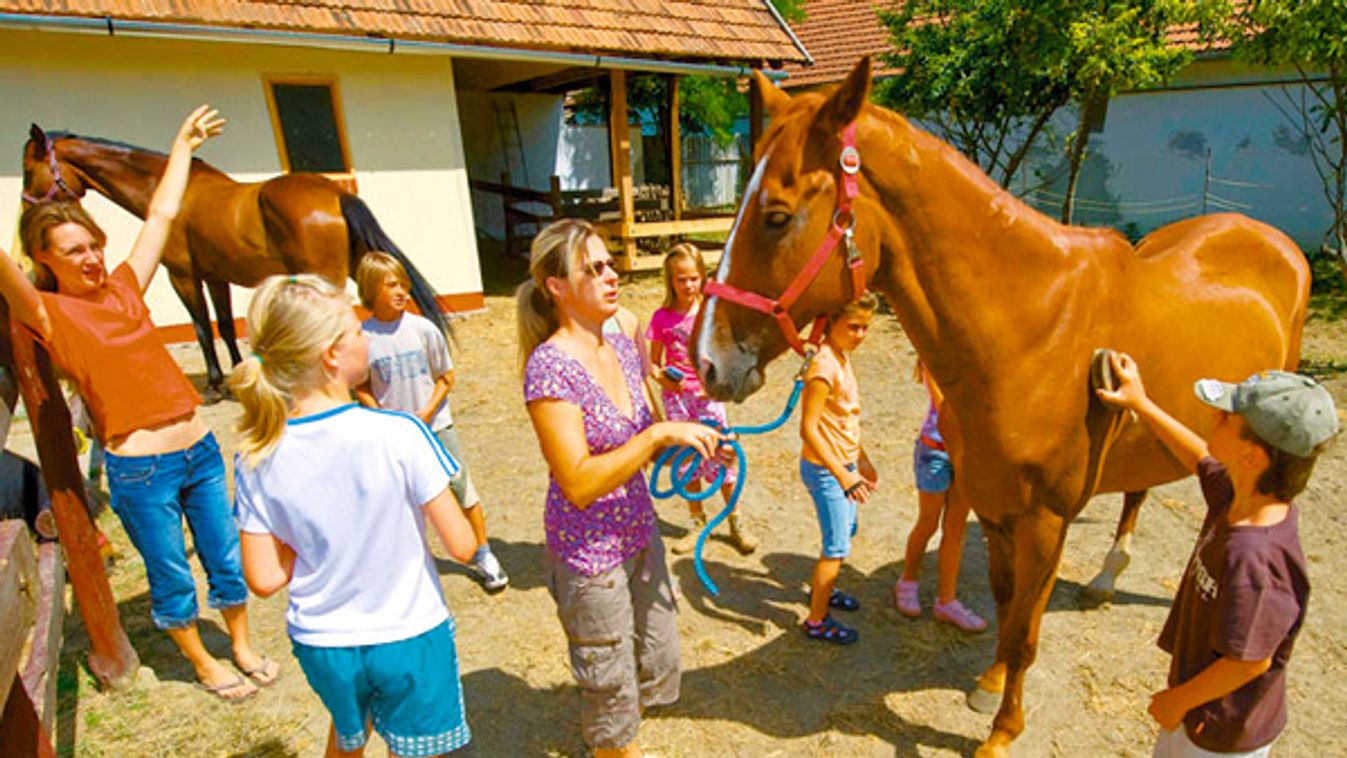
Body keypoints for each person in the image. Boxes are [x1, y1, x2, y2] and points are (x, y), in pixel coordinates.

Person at [0, 106, 276, 702]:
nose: (92, 258)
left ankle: (242, 642)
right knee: (172, 574)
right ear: (43, 259)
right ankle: (202, 662)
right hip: (140, 469)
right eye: (73, 251)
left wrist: (179, 144)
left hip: (200, 450)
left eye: (93, 245)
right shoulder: (51, 315)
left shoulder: (126, 285)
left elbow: (162, 214)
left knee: (225, 558)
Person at [231, 274, 479, 758]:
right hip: (408, 635)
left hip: (323, 643)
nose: (367, 335)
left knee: (348, 735)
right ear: (330, 354)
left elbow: (262, 578)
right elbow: (463, 545)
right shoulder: (400, 433)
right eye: (357, 329)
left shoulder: (255, 452)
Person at [518, 219, 726, 758]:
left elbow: (644, 440)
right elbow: (579, 480)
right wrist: (660, 431)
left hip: (639, 532)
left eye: (610, 263)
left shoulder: (621, 344)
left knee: (655, 655)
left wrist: (694, 445)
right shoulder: (550, 368)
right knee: (609, 685)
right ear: (556, 287)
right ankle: (612, 748)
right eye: (594, 268)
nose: (613, 275)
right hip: (590, 554)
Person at [1095, 355, 1336, 757]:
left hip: (1222, 732)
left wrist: (1179, 701)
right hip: (1200, 711)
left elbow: (1250, 662)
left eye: (1226, 419)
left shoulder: (1256, 558)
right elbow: (1200, 459)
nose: (1213, 418)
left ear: (1252, 457)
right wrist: (1141, 404)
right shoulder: (1241, 496)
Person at [353, 252, 509, 592]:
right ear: (370, 288)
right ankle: (411, 561)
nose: (401, 291)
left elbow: (446, 376)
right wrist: (385, 417)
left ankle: (483, 553)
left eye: (403, 284)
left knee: (459, 485)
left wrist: (425, 414)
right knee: (402, 497)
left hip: (436, 426)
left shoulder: (423, 329)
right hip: (394, 434)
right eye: (391, 284)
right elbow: (360, 386)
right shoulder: (363, 339)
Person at [646, 244, 757, 555]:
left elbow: (729, 352)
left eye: (693, 278)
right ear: (670, 281)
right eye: (680, 279)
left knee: (721, 455)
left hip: (709, 399)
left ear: (703, 277)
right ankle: (697, 522)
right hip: (678, 402)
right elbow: (652, 364)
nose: (688, 285)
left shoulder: (712, 314)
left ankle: (735, 519)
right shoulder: (661, 318)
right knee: (687, 461)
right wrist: (661, 377)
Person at [798, 295, 880, 645]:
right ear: (832, 323)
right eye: (854, 327)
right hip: (827, 471)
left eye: (866, 328)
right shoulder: (824, 367)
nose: (860, 334)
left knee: (846, 532)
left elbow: (842, 420)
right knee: (835, 546)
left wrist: (860, 460)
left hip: (844, 466)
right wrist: (843, 475)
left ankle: (825, 592)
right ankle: (816, 621)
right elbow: (810, 429)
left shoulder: (841, 358)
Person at [893, 360, 987, 632]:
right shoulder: (935, 361)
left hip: (968, 453)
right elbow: (945, 407)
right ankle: (907, 580)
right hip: (936, 451)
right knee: (929, 522)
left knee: (956, 528)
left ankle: (947, 600)